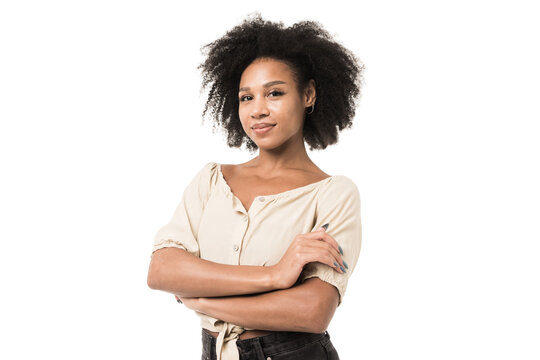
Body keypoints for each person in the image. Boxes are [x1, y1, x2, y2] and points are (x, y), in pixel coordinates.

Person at [147, 12, 365, 360]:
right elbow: (162, 270)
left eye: (274, 93)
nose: (258, 110)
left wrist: (201, 299)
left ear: (308, 94)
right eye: (246, 97)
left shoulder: (334, 194)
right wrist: (275, 276)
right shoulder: (211, 180)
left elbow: (312, 311)